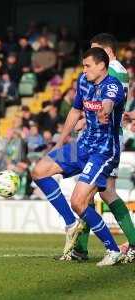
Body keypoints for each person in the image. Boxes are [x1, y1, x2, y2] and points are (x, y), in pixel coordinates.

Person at [31, 48, 125, 266]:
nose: (84, 70)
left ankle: (113, 250)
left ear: (102, 65)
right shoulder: (83, 81)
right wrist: (61, 140)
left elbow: (109, 103)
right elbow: (75, 111)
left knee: (78, 201)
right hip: (82, 145)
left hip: (103, 151)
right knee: (39, 171)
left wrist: (105, 111)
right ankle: (71, 224)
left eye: (87, 65)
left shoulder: (113, 85)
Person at [71, 33, 135, 262]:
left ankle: (82, 248)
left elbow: (105, 103)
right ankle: (80, 248)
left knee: (101, 193)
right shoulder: (119, 71)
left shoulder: (114, 71)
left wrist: (85, 120)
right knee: (95, 194)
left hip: (104, 139)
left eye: (95, 52)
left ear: (107, 53)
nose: (90, 58)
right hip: (100, 135)